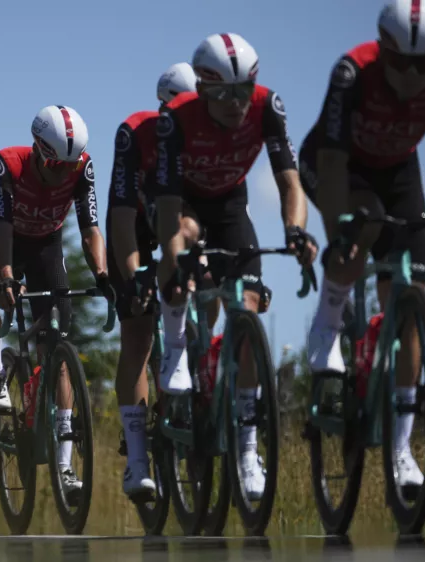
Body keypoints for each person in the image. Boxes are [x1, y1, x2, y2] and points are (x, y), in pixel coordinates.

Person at [301, 0, 425, 490]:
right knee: (357, 230)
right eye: (399, 62)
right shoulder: (352, 71)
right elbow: (335, 163)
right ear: (381, 50)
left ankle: (402, 450)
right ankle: (327, 323)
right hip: (334, 164)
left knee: (407, 306)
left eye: (422, 64)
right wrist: (340, 232)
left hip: (400, 175)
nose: (409, 74)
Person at [152, 33, 318, 500]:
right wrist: (174, 260)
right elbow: (164, 208)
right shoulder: (175, 120)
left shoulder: (268, 107)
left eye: (244, 90)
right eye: (224, 93)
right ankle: (176, 345)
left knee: (246, 308)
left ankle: (247, 449)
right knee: (181, 240)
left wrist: (295, 230)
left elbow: (290, 182)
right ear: (202, 90)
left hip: (229, 206)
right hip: (182, 203)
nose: (236, 103)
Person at [0, 105, 108, 497]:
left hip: (47, 244)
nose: (63, 172)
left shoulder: (81, 168)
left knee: (58, 349)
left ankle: (64, 468)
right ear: (38, 149)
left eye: (70, 165)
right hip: (4, 239)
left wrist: (102, 274)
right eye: (55, 164)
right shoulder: (9, 163)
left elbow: (90, 227)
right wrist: (7, 278)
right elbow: (0, 225)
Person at [107, 64, 200, 499]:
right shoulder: (135, 133)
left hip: (183, 221)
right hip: (137, 229)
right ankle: (139, 457)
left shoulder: (206, 132)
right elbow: (122, 217)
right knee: (139, 336)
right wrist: (133, 277)